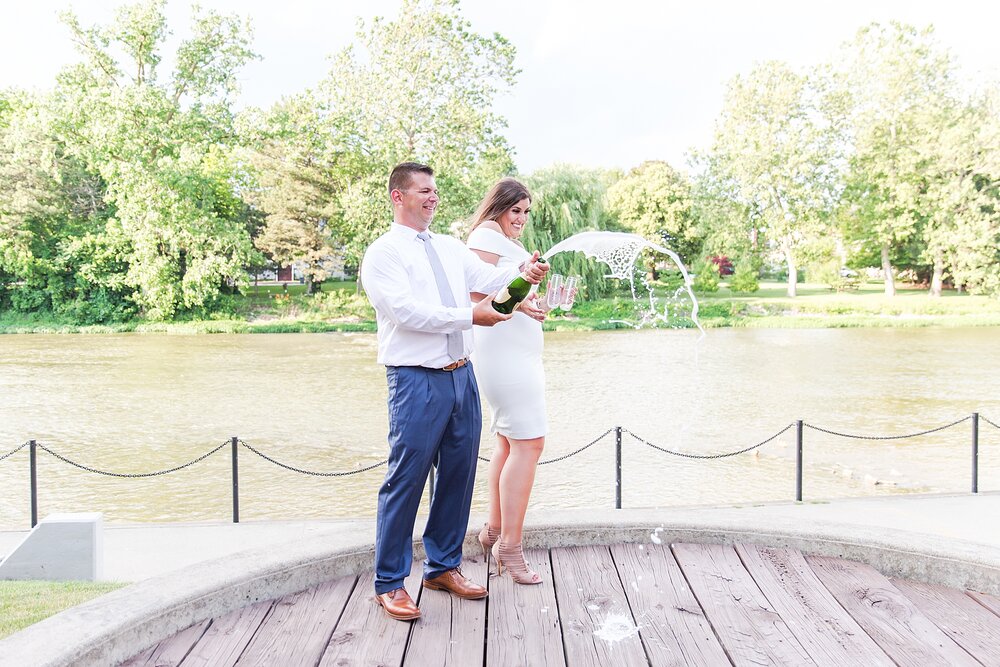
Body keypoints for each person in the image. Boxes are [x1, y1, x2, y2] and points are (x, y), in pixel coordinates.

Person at [360, 163, 548, 621]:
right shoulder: (382, 254)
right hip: (415, 378)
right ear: (397, 196)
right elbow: (407, 313)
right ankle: (389, 582)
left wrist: (524, 271)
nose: (432, 198)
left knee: (459, 475)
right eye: (423, 191)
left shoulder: (447, 246)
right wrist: (471, 318)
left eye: (434, 191)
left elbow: (490, 281)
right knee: (405, 479)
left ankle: (442, 566)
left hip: (462, 374)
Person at [466, 177, 552, 585]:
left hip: (517, 353)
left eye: (526, 211)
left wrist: (531, 306)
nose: (521, 218)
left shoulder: (510, 245)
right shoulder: (484, 235)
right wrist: (520, 298)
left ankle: (495, 530)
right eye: (515, 210)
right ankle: (511, 548)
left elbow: (508, 295)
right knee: (529, 443)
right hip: (503, 356)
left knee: (507, 440)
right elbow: (475, 296)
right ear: (498, 207)